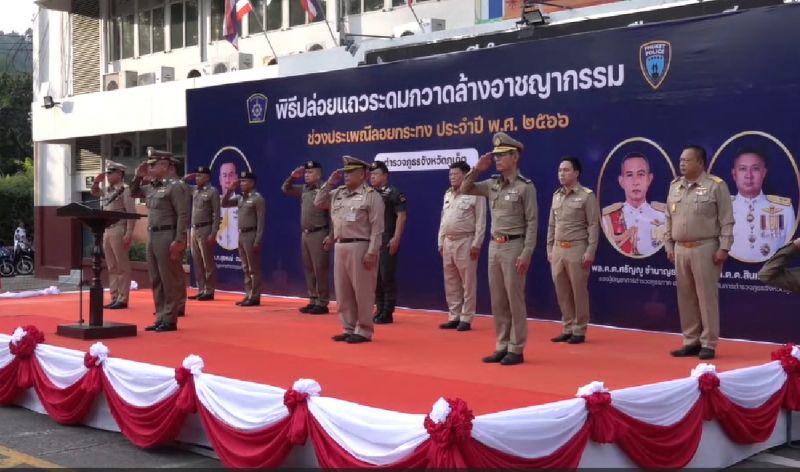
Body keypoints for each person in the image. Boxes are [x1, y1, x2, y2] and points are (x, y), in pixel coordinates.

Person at [461, 132, 538, 366]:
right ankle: (502, 344)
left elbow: (533, 223)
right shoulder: (492, 183)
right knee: (498, 299)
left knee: (515, 298)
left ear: (515, 157)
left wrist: (526, 253)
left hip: (514, 245)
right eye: (495, 156)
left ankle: (516, 347)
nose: (497, 159)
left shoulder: (525, 187)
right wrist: (477, 169)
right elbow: (465, 189)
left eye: (502, 155)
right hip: (494, 246)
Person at [664, 144, 734, 360]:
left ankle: (709, 343)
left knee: (706, 298)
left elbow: (727, 219)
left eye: (687, 160)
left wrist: (724, 247)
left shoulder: (715, 186)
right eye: (681, 160)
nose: (682, 164)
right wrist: (668, 245)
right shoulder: (675, 186)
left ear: (701, 163)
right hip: (680, 248)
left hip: (705, 248)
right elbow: (668, 218)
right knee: (685, 297)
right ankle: (690, 340)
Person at [314, 156, 385, 344]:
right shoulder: (338, 193)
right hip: (340, 245)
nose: (346, 176)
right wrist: (330, 182)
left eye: (350, 172)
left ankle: (364, 330)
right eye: (344, 172)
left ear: (362, 174)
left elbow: (377, 228)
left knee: (362, 291)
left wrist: (372, 251)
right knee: (343, 291)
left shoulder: (372, 195)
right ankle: (348, 327)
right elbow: (318, 202)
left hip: (360, 245)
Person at [130, 148, 189, 332]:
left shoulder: (176, 186)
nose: (150, 168)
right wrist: (137, 177)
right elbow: (133, 192)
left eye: (153, 165)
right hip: (152, 235)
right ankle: (161, 316)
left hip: (167, 235)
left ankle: (170, 319)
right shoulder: (153, 187)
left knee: (168, 278)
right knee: (155, 278)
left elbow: (183, 214)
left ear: (165, 165)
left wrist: (179, 239)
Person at [547, 157, 600, 344]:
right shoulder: (556, 196)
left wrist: (590, 251)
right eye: (560, 170)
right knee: (562, 291)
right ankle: (567, 327)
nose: (562, 174)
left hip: (577, 248)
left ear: (576, 173)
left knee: (578, 291)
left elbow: (594, 225)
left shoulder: (586, 195)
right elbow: (552, 225)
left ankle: (579, 329)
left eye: (566, 170)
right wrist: (549, 247)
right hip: (558, 249)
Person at [437, 161, 486, 332]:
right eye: (450, 174)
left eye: (455, 174)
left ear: (465, 175)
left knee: (468, 282)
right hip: (448, 241)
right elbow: (444, 220)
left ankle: (466, 318)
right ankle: (454, 315)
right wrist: (440, 241)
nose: (452, 177)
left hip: (466, 241)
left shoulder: (476, 193)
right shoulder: (448, 194)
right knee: (451, 281)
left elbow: (481, 221)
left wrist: (477, 243)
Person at [282, 161, 331, 315]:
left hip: (319, 233)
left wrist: (331, 235)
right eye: (306, 173)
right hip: (305, 234)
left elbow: (333, 215)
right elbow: (285, 189)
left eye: (310, 173)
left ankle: (322, 302)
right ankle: (313, 299)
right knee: (309, 268)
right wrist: (292, 177)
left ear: (319, 174)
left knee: (319, 269)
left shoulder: (326, 190)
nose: (307, 175)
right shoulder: (304, 189)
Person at [729, 148, 795, 263]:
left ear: (764, 173)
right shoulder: (720, 207)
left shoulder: (785, 209)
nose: (749, 175)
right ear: (734, 174)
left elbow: (789, 254)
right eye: (743, 169)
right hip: (732, 276)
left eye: (755, 169)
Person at [90, 161, 136, 310]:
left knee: (122, 265)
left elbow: (130, 212)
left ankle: (123, 298)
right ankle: (114, 296)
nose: (108, 176)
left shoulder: (125, 190)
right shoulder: (108, 190)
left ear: (120, 174)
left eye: (111, 173)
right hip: (107, 230)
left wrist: (129, 232)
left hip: (119, 229)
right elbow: (94, 192)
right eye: (107, 173)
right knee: (111, 266)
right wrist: (97, 181)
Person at [601, 153, 667, 257]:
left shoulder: (663, 216)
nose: (635, 182)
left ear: (649, 179)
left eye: (641, 174)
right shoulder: (608, 219)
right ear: (621, 181)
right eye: (629, 175)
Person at [368, 161, 407, 324]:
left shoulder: (394, 193)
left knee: (386, 276)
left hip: (387, 239)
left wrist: (396, 237)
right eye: (371, 174)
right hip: (372, 240)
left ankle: (388, 311)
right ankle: (379, 308)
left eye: (376, 174)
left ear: (385, 175)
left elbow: (402, 216)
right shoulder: (368, 193)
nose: (372, 177)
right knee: (374, 277)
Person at [221, 171, 265, 307]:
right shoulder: (240, 198)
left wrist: (258, 240)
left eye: (244, 181)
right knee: (245, 267)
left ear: (252, 183)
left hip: (251, 234)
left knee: (253, 268)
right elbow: (224, 203)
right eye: (240, 181)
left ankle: (255, 296)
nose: (241, 184)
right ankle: (248, 294)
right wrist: (230, 190)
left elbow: (261, 222)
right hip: (241, 235)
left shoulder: (257, 199)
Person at [183, 166, 221, 301]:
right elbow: (181, 187)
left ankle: (209, 290)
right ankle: (201, 289)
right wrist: (186, 178)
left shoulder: (212, 192)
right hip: (194, 229)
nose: (197, 178)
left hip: (206, 229)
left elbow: (217, 214)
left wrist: (214, 232)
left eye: (200, 176)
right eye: (196, 176)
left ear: (207, 177)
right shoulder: (194, 190)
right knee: (197, 261)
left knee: (207, 261)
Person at [216, 161, 240, 251]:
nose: (227, 180)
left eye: (231, 175)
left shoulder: (241, 200)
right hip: (219, 244)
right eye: (224, 176)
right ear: (220, 180)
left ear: (236, 178)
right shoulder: (214, 201)